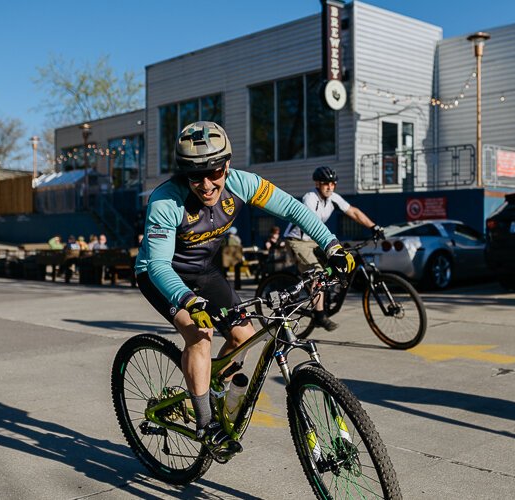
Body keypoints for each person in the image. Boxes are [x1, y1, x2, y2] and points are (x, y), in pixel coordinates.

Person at [134, 121, 354, 458]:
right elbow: (160, 266)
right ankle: (205, 422)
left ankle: (211, 389)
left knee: (242, 336)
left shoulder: (243, 184)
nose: (206, 184)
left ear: (227, 165)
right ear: (183, 174)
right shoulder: (166, 201)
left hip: (204, 271)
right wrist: (189, 301)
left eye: (215, 172)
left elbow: (295, 209)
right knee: (200, 333)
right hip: (161, 275)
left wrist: (331, 246)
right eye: (196, 176)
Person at [283, 165, 383, 331]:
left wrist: (374, 227)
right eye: (325, 183)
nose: (329, 187)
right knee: (316, 273)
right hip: (298, 240)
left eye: (333, 183)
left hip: (316, 240)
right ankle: (320, 315)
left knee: (340, 261)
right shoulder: (310, 198)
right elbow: (310, 223)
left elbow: (354, 212)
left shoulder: (333, 198)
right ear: (317, 184)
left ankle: (325, 294)